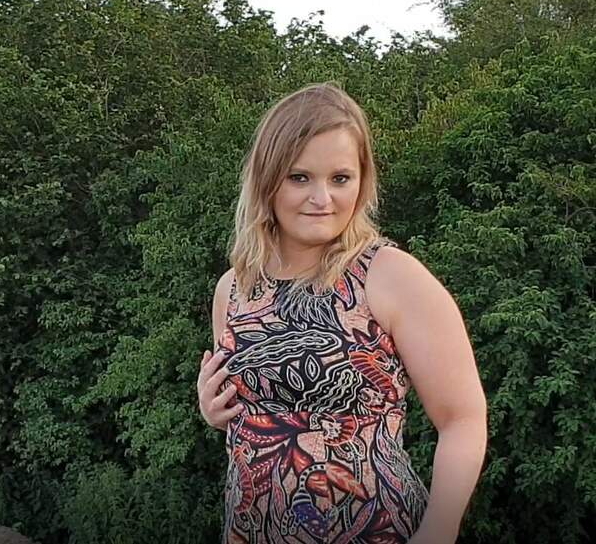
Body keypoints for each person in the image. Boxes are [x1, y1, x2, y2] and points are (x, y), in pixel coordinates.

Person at [196, 82, 487, 544]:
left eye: (340, 178)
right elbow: (248, 410)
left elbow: (464, 421)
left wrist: (440, 529)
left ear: (362, 182)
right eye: (299, 177)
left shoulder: (391, 276)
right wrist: (215, 411)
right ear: (267, 180)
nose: (322, 199)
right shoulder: (234, 288)